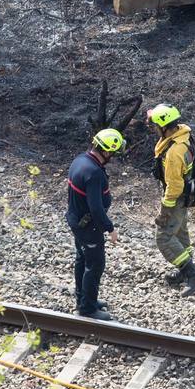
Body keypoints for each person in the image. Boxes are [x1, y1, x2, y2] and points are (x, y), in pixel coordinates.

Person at [147, 104, 195, 294]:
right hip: (184, 197)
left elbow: (174, 186)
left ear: (164, 126)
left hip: (176, 199)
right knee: (180, 234)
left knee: (163, 238)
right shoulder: (183, 135)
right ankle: (184, 272)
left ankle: (193, 274)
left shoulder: (174, 152)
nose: (154, 129)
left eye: (156, 125)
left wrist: (165, 210)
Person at [66, 129, 124, 321]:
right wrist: (110, 228)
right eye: (113, 153)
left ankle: (83, 298)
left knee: (82, 259)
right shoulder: (94, 172)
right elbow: (97, 208)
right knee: (95, 264)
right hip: (88, 227)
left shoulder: (80, 160)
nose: (113, 157)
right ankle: (88, 308)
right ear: (106, 152)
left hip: (76, 221)